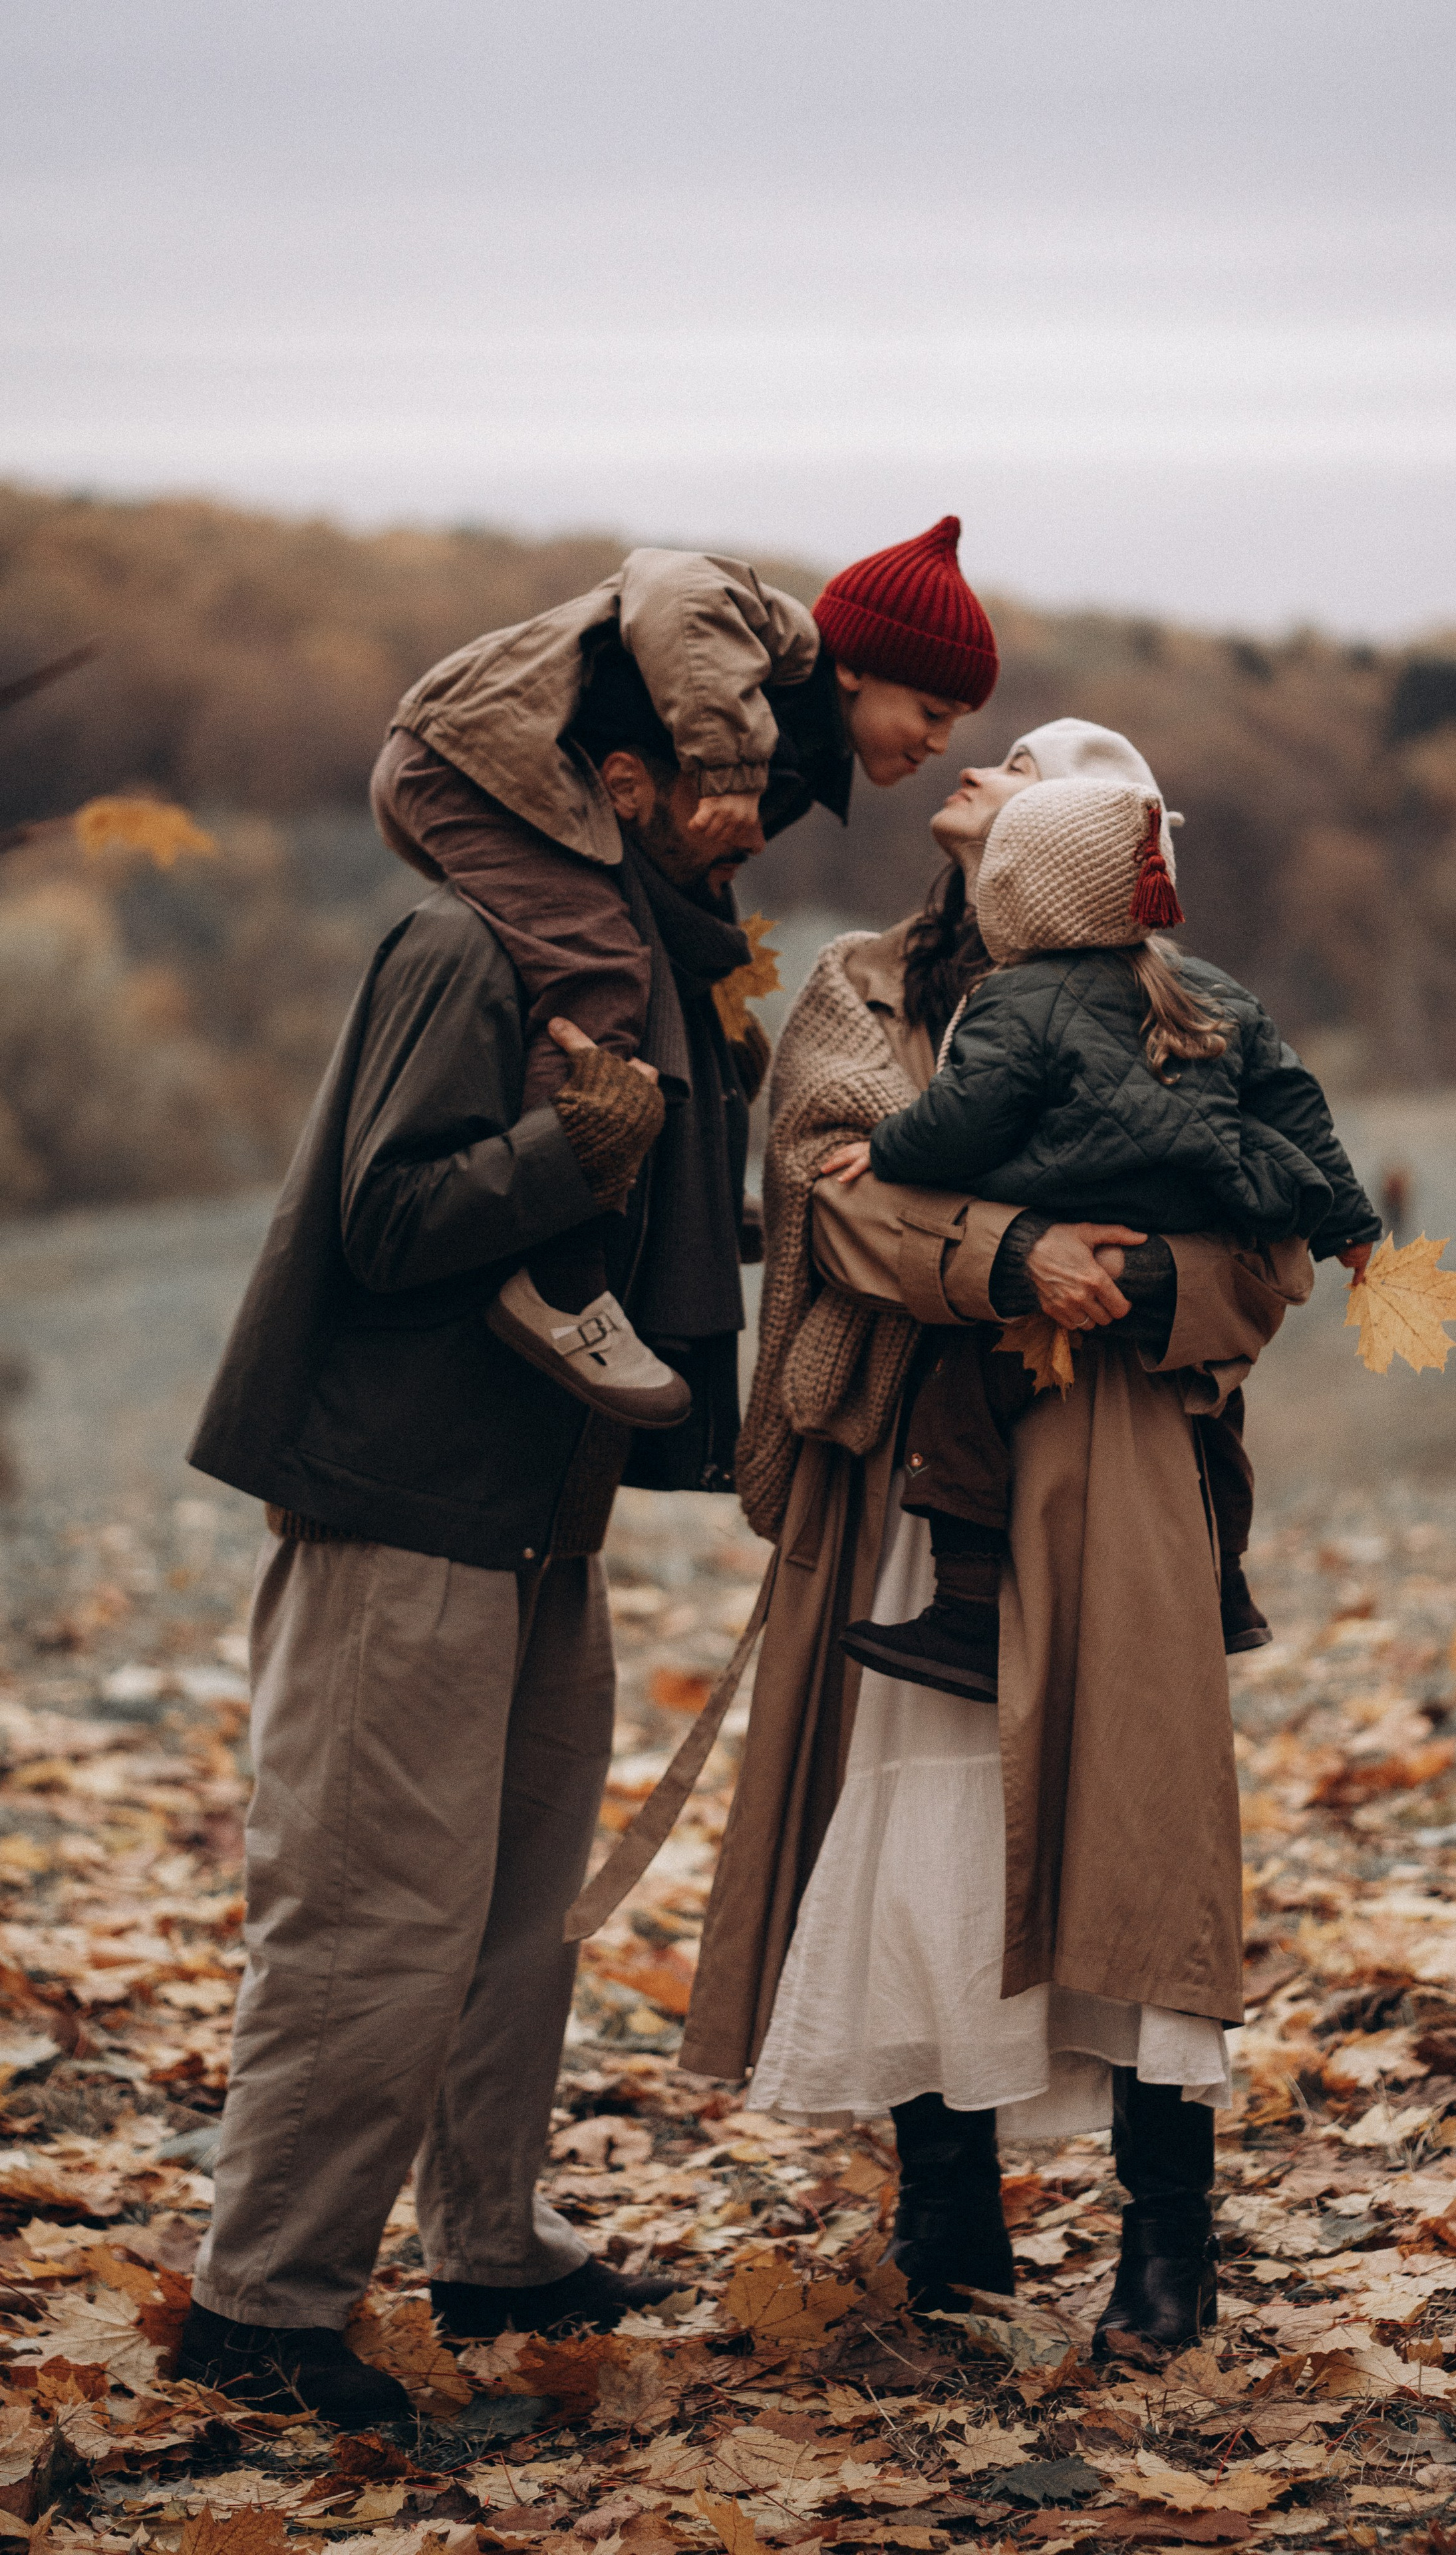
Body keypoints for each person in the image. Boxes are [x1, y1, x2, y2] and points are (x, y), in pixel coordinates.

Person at [175, 670, 784, 2422]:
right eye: (711, 781)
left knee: (520, 1922)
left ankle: (492, 2243)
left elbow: (630, 1205)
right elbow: (387, 1217)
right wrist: (571, 1145)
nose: (743, 819)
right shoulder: (461, 947)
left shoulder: (634, 967)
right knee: (373, 1926)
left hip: (539, 1524)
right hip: (403, 1513)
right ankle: (264, 2311)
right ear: (609, 779)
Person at [678, 716, 1315, 2364]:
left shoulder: (1186, 1008)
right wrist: (1012, 1250)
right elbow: (836, 1189)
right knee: (925, 1817)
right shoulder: (861, 991)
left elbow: (1273, 1240)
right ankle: (946, 2210)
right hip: (913, 1455)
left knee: (1134, 1824)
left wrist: (1154, 1286)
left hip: (1118, 1449)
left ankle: (1168, 2244)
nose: (995, 783)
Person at [369, 524, 997, 1426]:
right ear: (855, 670)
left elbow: (691, 901)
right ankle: (558, 1274)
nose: (939, 741)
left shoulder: (805, 755)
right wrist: (727, 762)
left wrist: (725, 1009)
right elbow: (666, 585)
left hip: (550, 798)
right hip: (468, 766)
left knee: (705, 998)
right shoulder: (784, 648)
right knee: (599, 965)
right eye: (931, 712)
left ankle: (688, 1197)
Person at [831, 764, 1381, 1701]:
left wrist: (886, 1149)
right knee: (1216, 1417)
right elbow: (1294, 1104)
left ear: (1018, 896)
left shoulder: (1016, 1000)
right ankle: (1227, 1583)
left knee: (959, 1402)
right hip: (1175, 1264)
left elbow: (964, 1122)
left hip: (1064, 1245)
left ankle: (964, 1609)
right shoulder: (1209, 989)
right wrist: (1351, 1223)